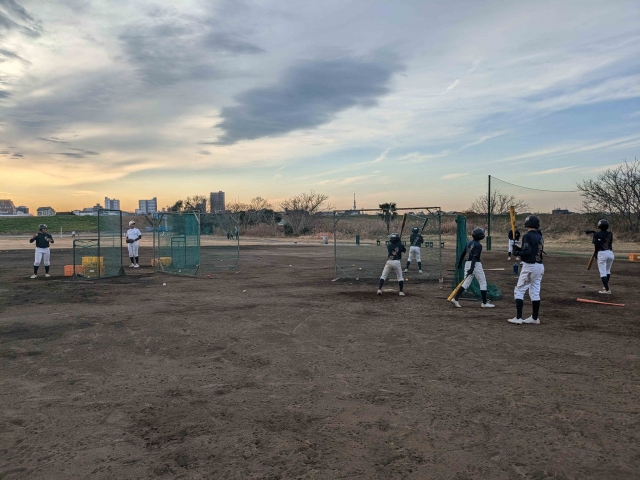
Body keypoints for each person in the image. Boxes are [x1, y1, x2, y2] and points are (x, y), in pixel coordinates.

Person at [508, 215, 544, 325]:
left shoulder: (527, 236)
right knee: (534, 292)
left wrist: (516, 252)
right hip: (539, 266)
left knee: (519, 290)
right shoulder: (539, 236)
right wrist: (519, 250)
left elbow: (527, 252)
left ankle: (518, 318)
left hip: (530, 266)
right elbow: (531, 250)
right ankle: (535, 318)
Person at [451, 228, 495, 308]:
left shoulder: (468, 243)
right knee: (482, 282)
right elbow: (475, 257)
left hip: (467, 263)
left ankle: (455, 299)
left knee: (466, 283)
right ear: (481, 236)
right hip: (475, 264)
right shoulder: (478, 245)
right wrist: (472, 268)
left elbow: (463, 254)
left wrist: (460, 263)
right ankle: (484, 303)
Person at [590, 219, 614, 294]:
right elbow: (606, 239)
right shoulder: (610, 233)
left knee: (603, 273)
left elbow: (596, 246)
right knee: (607, 271)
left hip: (602, 253)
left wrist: (596, 255)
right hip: (610, 253)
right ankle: (605, 287)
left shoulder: (596, 235)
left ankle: (607, 290)